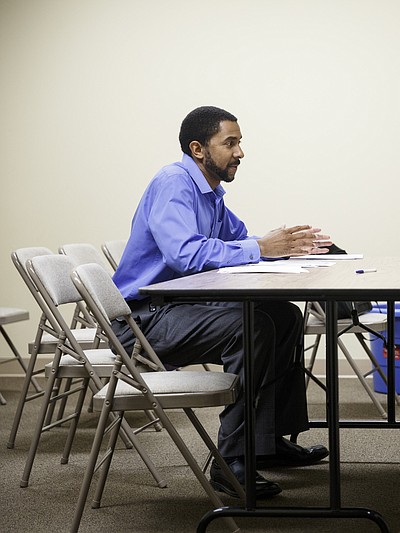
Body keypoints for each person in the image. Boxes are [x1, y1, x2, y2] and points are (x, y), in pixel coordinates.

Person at [111, 106, 332, 499]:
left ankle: (268, 443)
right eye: (230, 143)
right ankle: (231, 462)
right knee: (254, 326)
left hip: (177, 310)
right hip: (142, 323)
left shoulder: (211, 194)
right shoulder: (174, 183)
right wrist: (260, 247)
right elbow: (185, 255)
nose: (240, 152)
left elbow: (242, 241)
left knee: (284, 316)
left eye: (239, 142)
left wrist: (287, 246)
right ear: (198, 149)